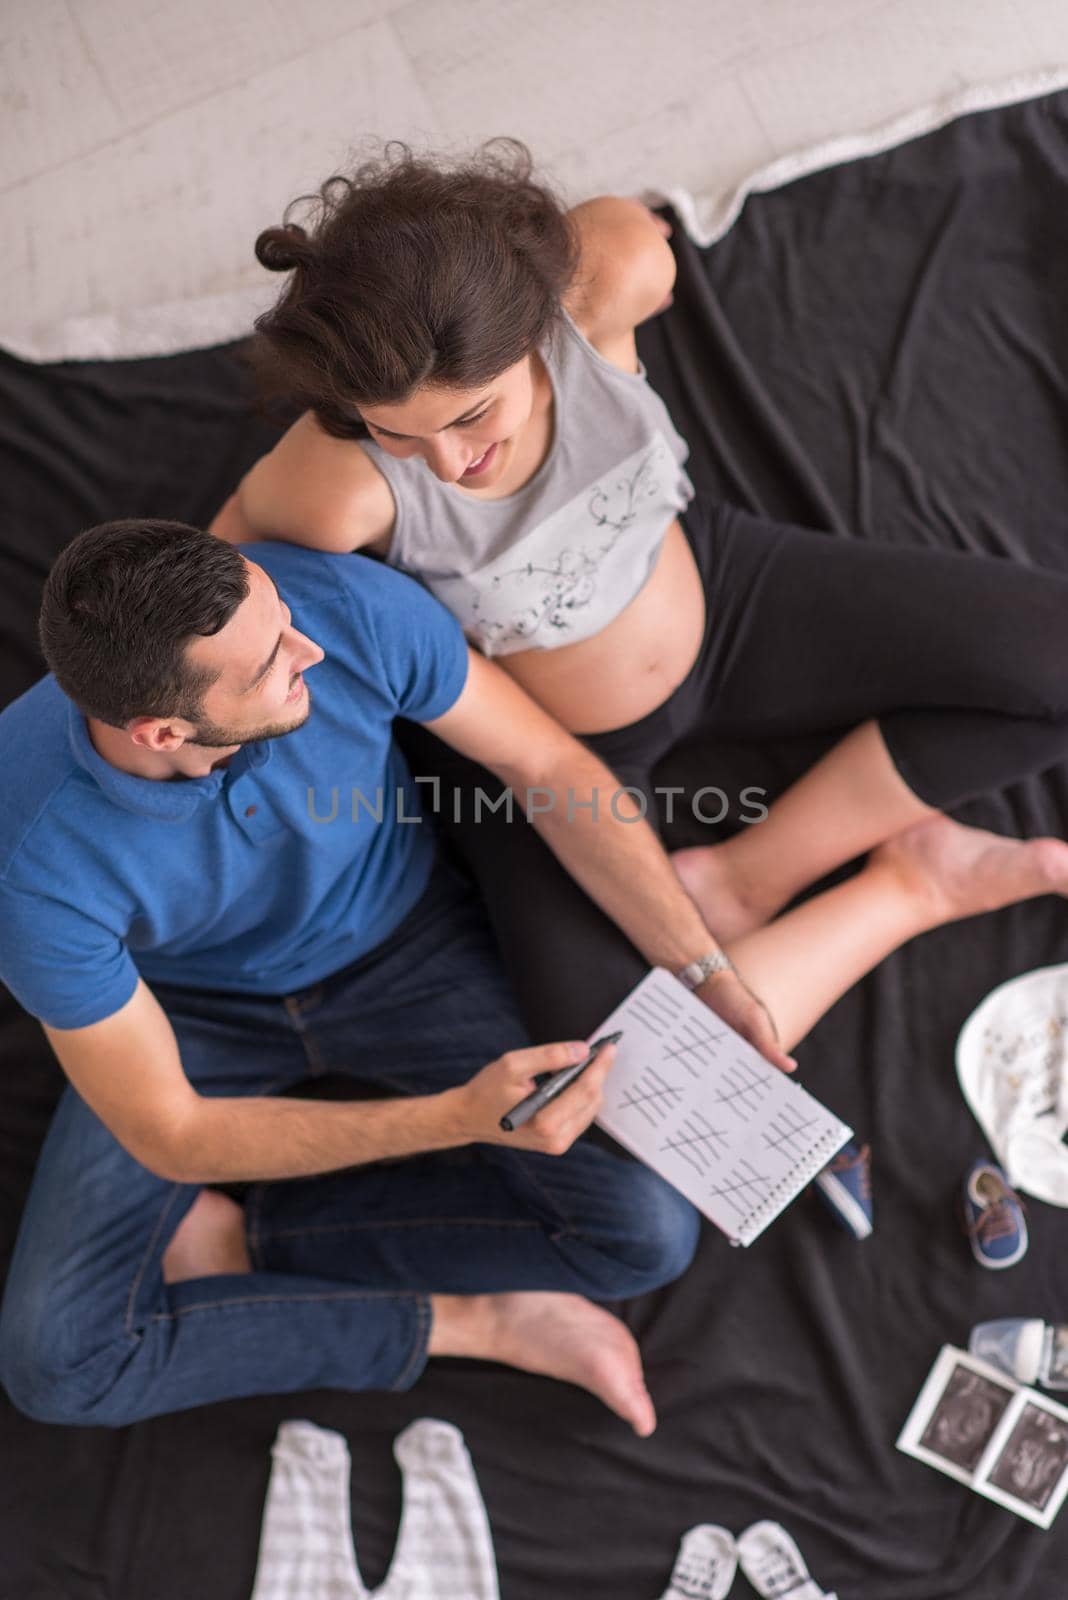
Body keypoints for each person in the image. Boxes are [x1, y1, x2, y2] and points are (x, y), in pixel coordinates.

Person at [0, 520, 1058, 1437]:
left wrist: (699, 965)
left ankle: (247, 1237)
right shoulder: (31, 859)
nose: (307, 648)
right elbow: (172, 1130)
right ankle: (471, 1321)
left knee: (643, 1229)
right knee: (61, 1363)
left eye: (282, 617)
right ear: (165, 732)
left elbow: (547, 771)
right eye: (273, 661)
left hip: (408, 944)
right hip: (189, 1017)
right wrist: (458, 1119)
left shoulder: (339, 608)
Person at [211, 140, 1068, 1040]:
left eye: (471, 415)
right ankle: (914, 886)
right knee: (622, 1062)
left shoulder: (591, 294)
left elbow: (632, 241)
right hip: (554, 734)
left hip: (728, 598)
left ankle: (748, 877)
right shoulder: (335, 480)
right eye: (401, 433)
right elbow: (223, 579)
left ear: (533, 321)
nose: (451, 463)